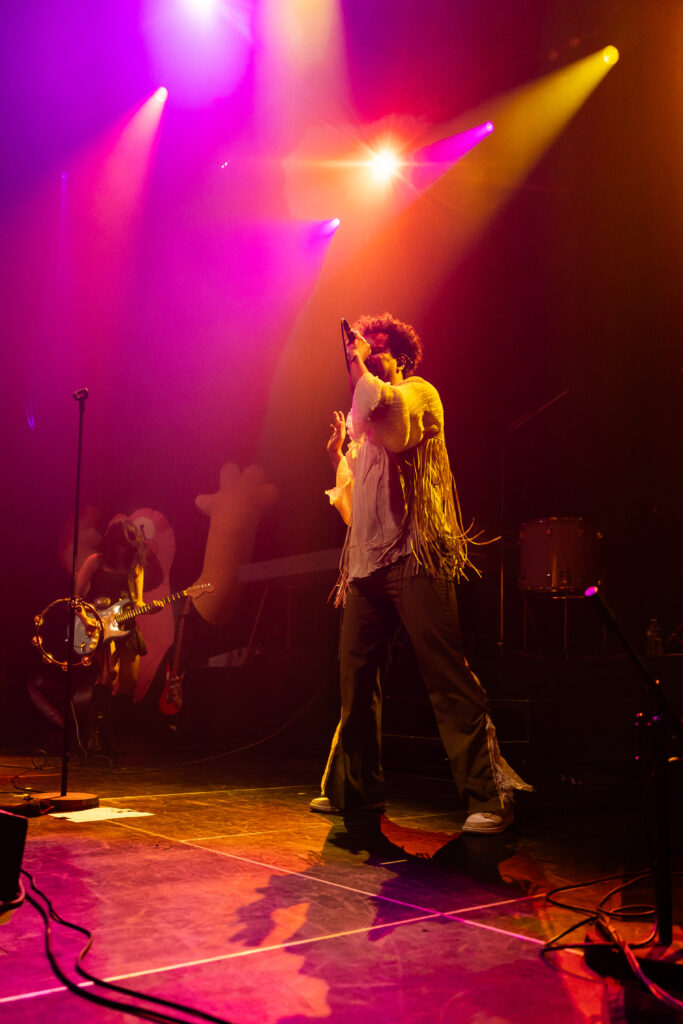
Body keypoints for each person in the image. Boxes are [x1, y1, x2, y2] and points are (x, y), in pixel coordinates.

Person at [310, 313, 530, 833]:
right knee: (356, 683)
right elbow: (354, 504)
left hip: (415, 557)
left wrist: (358, 368)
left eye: (375, 350)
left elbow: (393, 425)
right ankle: (355, 792)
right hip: (365, 567)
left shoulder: (418, 394)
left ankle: (488, 796)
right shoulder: (365, 427)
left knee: (445, 675)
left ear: (401, 358)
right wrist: (338, 456)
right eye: (361, 350)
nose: (363, 357)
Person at [77, 518, 151, 754]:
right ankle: (96, 735)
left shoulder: (135, 567)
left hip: (127, 626)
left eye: (127, 546)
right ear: (112, 543)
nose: (123, 550)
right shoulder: (95, 562)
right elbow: (75, 597)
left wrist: (152, 607)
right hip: (100, 626)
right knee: (108, 676)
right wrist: (87, 620)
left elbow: (138, 601)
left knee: (130, 680)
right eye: (120, 545)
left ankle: (115, 734)